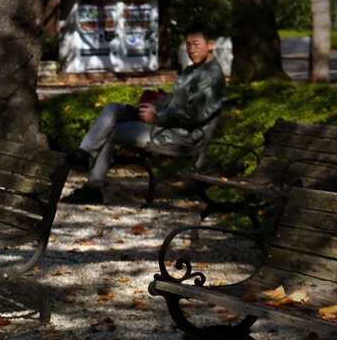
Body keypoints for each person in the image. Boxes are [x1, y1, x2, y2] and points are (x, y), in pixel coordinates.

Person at [63, 23, 226, 204]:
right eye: (188, 45)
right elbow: (171, 99)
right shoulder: (191, 70)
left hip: (178, 134)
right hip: (165, 121)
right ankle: (82, 154)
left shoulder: (211, 77)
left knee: (110, 130)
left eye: (196, 44)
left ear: (210, 45)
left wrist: (157, 116)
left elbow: (194, 115)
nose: (191, 49)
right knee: (112, 109)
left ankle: (92, 188)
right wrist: (151, 107)